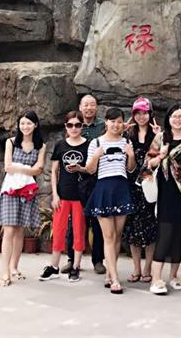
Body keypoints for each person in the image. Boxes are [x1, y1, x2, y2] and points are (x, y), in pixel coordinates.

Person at [85, 108, 137, 294]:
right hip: (104, 189)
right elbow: (90, 170)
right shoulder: (96, 142)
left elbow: (130, 169)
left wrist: (131, 155)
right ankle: (115, 279)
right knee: (109, 236)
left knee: (117, 235)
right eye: (112, 121)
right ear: (106, 122)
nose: (116, 125)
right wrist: (96, 156)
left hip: (121, 188)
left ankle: (109, 272)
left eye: (119, 121)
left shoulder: (126, 142)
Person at [147, 103, 181, 295]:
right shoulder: (161, 138)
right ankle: (156, 278)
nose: (177, 119)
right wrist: (161, 155)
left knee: (179, 234)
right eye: (174, 116)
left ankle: (174, 275)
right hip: (166, 192)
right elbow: (148, 164)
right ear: (168, 119)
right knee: (165, 234)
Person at [0, 111, 46, 287]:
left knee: (19, 230)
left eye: (29, 123)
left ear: (35, 125)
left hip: (27, 191)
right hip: (10, 190)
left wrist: (19, 168)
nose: (25, 127)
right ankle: (5, 272)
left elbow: (39, 168)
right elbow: (7, 167)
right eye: (22, 123)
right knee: (9, 230)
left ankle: (14, 267)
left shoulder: (40, 146)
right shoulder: (11, 142)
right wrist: (28, 169)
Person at [40, 111, 89, 282]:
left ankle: (75, 266)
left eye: (77, 125)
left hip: (80, 196)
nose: (74, 128)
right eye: (70, 125)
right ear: (65, 126)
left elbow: (92, 170)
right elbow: (54, 172)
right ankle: (54, 266)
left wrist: (80, 169)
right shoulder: (60, 145)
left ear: (82, 126)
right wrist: (55, 195)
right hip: (62, 195)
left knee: (79, 231)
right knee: (59, 229)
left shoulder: (88, 145)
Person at [64, 94, 105, 275]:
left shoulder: (103, 126)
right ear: (80, 107)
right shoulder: (74, 125)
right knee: (75, 223)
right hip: (76, 181)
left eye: (92, 104)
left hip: (97, 179)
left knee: (97, 222)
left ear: (96, 107)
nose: (89, 108)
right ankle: (72, 258)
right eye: (85, 105)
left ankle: (98, 260)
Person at [124, 97, 160, 283]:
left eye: (144, 113)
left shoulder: (156, 135)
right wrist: (122, 132)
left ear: (150, 114)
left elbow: (161, 158)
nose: (141, 116)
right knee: (133, 229)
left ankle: (148, 268)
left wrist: (158, 137)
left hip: (150, 186)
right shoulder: (128, 135)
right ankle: (136, 268)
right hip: (132, 187)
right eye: (137, 113)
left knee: (150, 228)